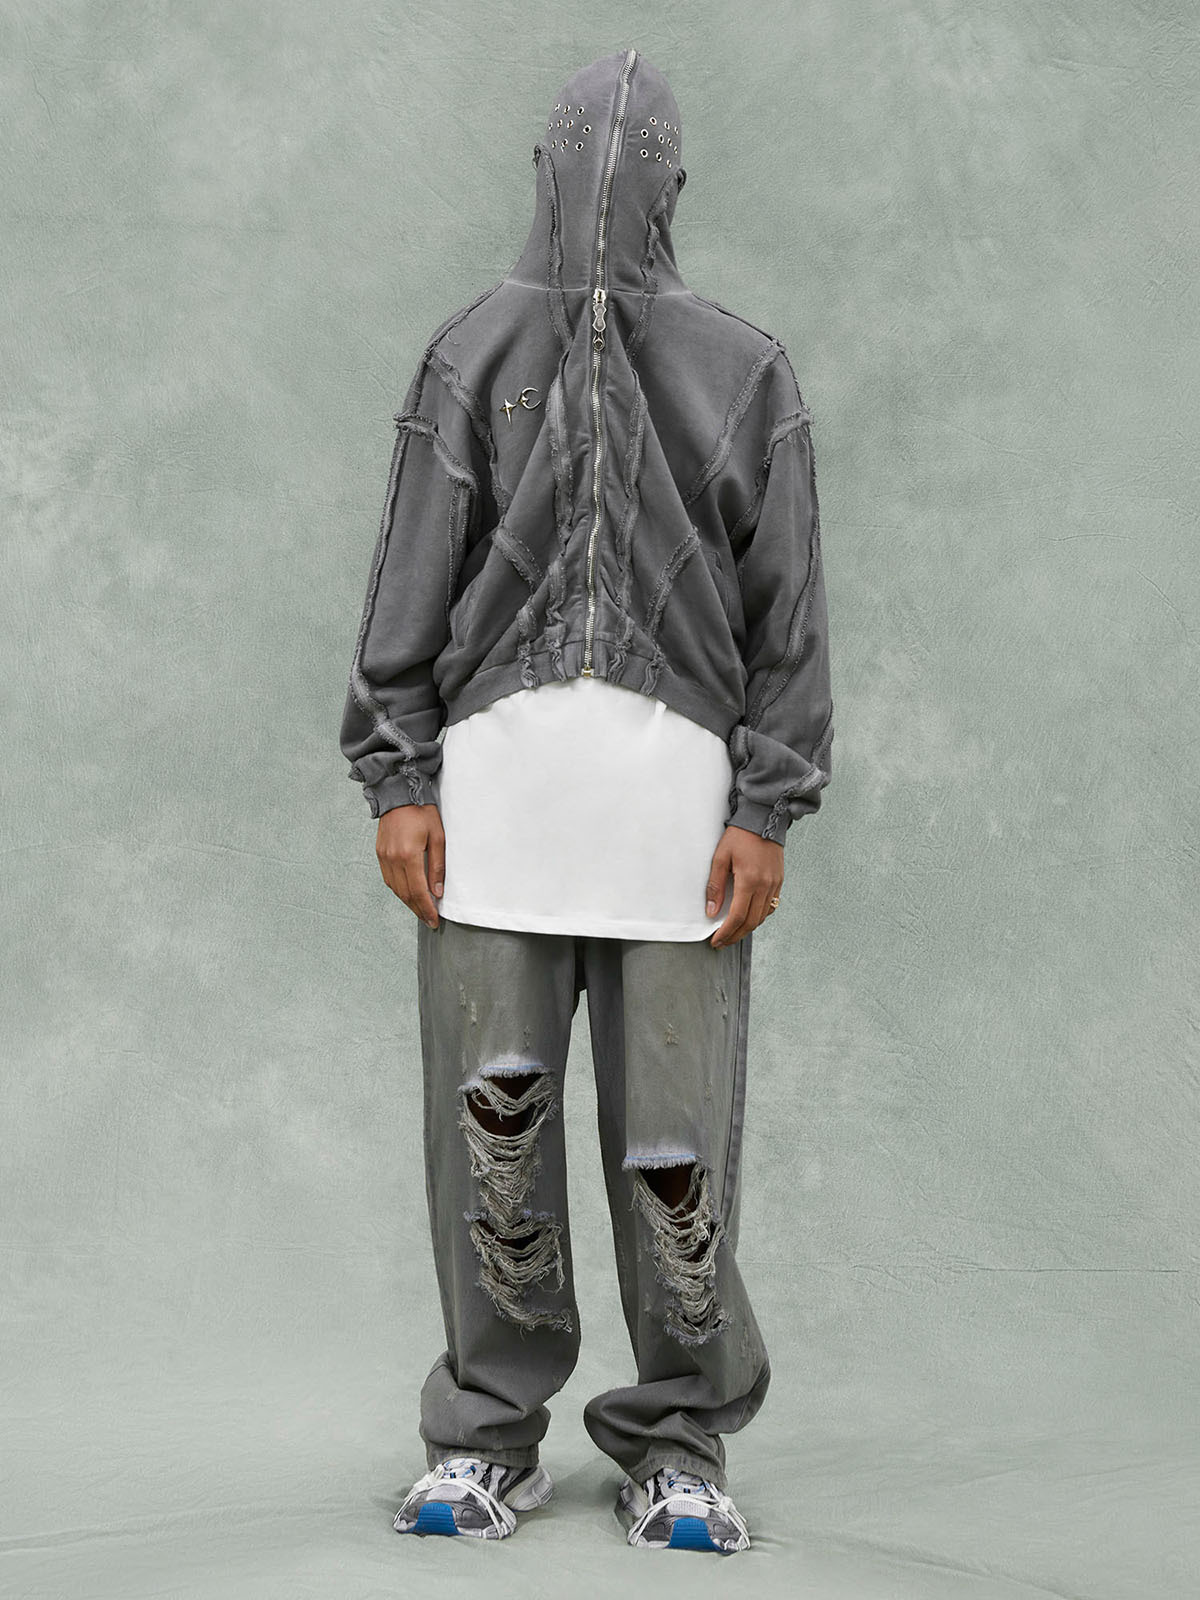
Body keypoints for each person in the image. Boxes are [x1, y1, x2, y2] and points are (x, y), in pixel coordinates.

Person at [339, 47, 834, 1554]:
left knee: (676, 1154)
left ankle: (678, 1437)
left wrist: (767, 804)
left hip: (678, 832)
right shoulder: (470, 355)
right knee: (490, 1133)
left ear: (673, 185)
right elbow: (407, 583)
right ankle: (486, 1432)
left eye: (636, 165)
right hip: (493, 821)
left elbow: (788, 613)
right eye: (586, 161)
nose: (610, 185)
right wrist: (399, 776)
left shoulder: (743, 371)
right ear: (546, 175)